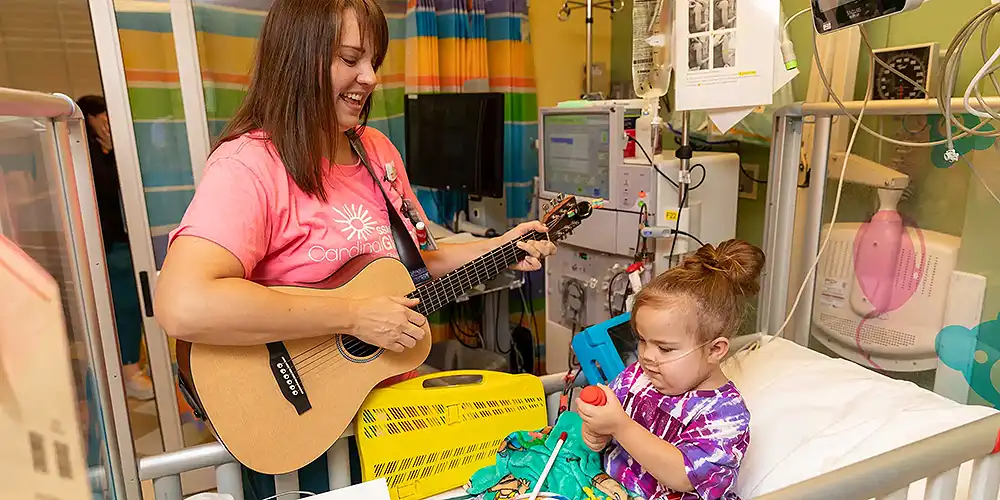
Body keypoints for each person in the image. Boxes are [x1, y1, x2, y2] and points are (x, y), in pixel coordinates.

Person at [153, 0, 556, 495]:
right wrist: (353, 316)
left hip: (388, 422)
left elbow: (417, 261)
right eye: (349, 59)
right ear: (298, 57)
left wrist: (501, 246)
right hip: (296, 418)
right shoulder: (249, 166)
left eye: (374, 61)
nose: (369, 78)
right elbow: (184, 303)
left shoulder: (376, 151)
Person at [576, 239, 764, 500]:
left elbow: (683, 476)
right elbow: (607, 433)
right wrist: (596, 431)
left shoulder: (725, 414)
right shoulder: (637, 378)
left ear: (714, 350)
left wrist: (620, 426)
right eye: (643, 340)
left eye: (664, 348)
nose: (647, 356)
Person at [77, 95, 153, 401]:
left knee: (129, 303)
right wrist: (110, 153)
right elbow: (106, 190)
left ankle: (129, 367)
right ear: (90, 119)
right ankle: (129, 370)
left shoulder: (106, 151)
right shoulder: (83, 152)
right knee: (126, 304)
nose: (109, 123)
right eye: (103, 117)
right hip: (106, 243)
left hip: (120, 239)